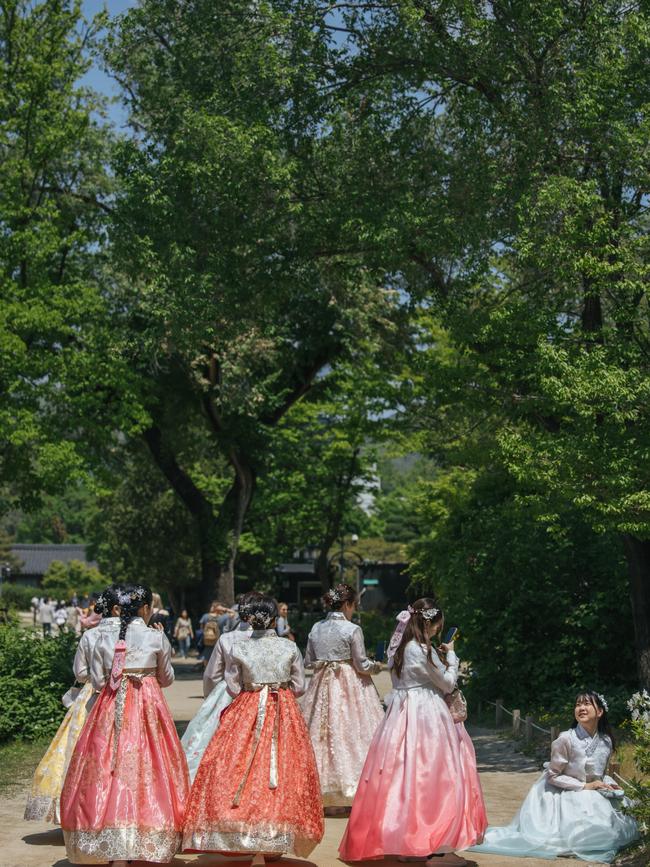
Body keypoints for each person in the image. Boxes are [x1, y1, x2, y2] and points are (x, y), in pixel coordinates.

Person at [339, 598, 487, 865]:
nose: (438, 631)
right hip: (427, 715)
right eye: (437, 626)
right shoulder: (420, 649)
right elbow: (447, 683)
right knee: (435, 778)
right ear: (429, 622)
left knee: (403, 777)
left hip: (401, 713)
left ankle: (407, 843)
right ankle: (437, 847)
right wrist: (452, 655)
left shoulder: (398, 646)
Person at [183, 595, 324, 859]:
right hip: (282, 709)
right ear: (274, 619)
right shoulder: (288, 647)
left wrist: (253, 689)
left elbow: (233, 686)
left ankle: (244, 831)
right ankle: (275, 836)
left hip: (247, 708)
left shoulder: (240, 648)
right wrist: (279, 688)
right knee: (283, 767)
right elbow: (300, 687)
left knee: (242, 767)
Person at [60, 584, 190, 866]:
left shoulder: (103, 640)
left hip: (109, 706)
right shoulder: (156, 638)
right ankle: (145, 832)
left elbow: (95, 681)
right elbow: (166, 679)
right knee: (150, 763)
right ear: (144, 609)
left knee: (106, 764)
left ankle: (105, 834)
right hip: (148, 707)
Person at [470, 691, 639, 863]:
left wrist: (604, 785)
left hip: (595, 788)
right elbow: (553, 775)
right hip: (563, 789)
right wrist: (585, 786)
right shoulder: (566, 738)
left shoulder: (606, 741)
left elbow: (600, 774)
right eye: (578, 704)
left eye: (587, 704)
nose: (581, 708)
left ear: (600, 712)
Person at [24, 587, 122, 824]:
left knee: (81, 749)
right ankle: (115, 809)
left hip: (91, 696)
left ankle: (76, 809)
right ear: (118, 608)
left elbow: (79, 673)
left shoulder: (90, 636)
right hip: (124, 694)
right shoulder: (131, 634)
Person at [300, 583, 384, 808]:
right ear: (347, 604)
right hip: (348, 684)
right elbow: (361, 664)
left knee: (321, 732)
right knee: (352, 730)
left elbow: (308, 661)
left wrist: (326, 661)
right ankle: (352, 788)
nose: (354, 610)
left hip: (321, 683)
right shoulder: (352, 629)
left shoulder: (316, 627)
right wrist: (377, 666)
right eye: (354, 605)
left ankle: (319, 789)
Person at [181, 591, 261, 781]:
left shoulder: (227, 638)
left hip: (227, 693)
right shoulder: (264, 639)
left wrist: (212, 696)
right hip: (258, 692)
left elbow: (211, 674)